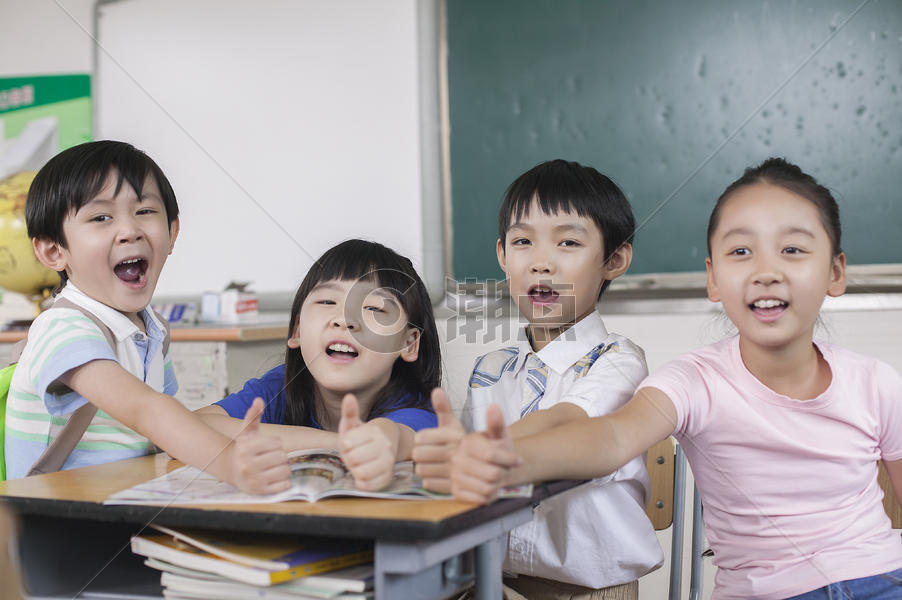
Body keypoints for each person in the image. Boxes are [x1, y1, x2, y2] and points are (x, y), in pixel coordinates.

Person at [450, 157, 902, 599]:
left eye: (793, 249)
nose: (767, 272)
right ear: (713, 279)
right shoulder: (692, 380)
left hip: (882, 576)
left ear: (836, 272)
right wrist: (493, 455)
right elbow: (607, 439)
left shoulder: (878, 383)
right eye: (741, 251)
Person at [414, 159, 663, 599]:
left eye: (567, 242)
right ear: (502, 257)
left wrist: (479, 449)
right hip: (496, 581)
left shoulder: (618, 361)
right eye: (523, 241)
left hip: (592, 591)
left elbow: (567, 423)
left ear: (614, 259)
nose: (541, 262)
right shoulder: (491, 369)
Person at [6, 140, 290, 495]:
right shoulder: (63, 326)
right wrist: (231, 463)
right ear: (53, 250)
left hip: (125, 500)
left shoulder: (153, 329)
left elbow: (165, 425)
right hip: (51, 521)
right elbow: (143, 409)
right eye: (101, 217)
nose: (130, 230)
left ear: (172, 233)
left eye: (144, 212)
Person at [197, 239, 440, 491]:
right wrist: (339, 444)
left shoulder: (417, 407)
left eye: (374, 307)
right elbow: (195, 427)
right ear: (297, 330)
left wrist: (382, 440)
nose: (344, 320)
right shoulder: (280, 387)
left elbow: (395, 437)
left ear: (409, 343)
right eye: (327, 302)